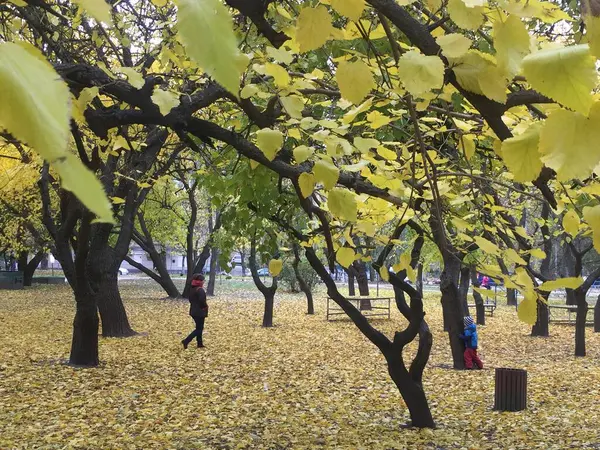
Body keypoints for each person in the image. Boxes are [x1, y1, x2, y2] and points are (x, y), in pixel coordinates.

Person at [182, 273, 208, 349]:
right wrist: (204, 307)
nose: (203, 282)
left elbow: (191, 300)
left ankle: (200, 343)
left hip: (193, 310)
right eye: (203, 281)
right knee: (199, 329)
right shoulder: (200, 290)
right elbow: (202, 301)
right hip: (199, 312)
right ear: (199, 281)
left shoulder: (192, 289)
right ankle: (186, 340)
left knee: (199, 327)